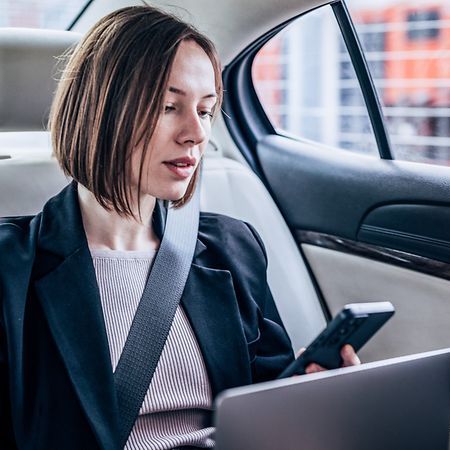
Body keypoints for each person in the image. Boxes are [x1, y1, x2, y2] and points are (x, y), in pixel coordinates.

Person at [0, 6, 359, 450]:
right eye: (169, 107)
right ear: (101, 111)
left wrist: (311, 390)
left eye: (206, 111)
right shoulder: (11, 268)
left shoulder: (234, 248)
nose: (196, 133)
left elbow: (265, 401)